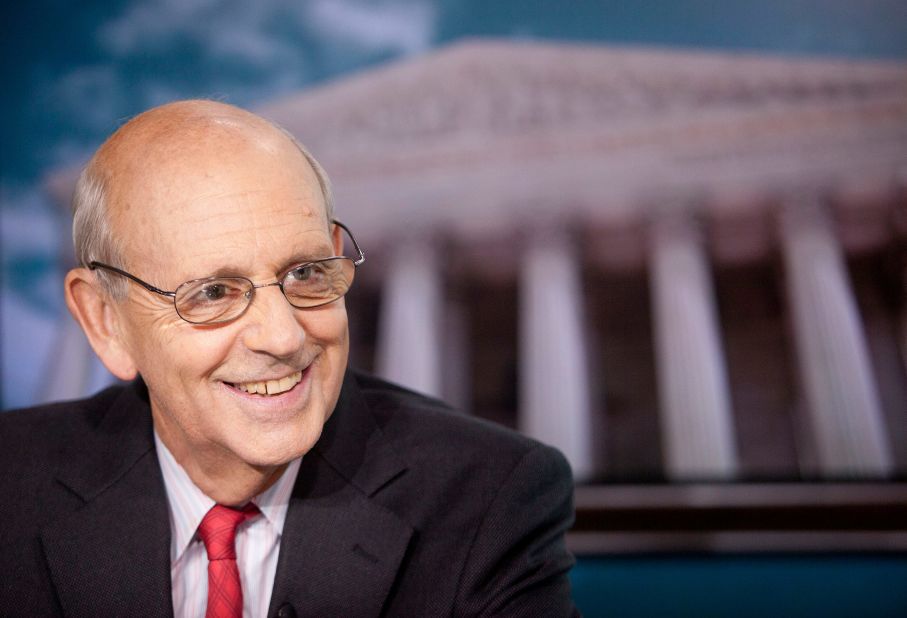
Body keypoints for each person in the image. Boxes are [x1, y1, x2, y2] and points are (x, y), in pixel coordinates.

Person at [0, 100, 577, 617]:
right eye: (213, 293)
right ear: (106, 322)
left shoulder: (490, 500)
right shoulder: (10, 484)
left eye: (304, 273)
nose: (282, 337)